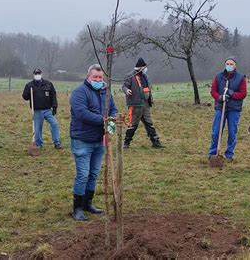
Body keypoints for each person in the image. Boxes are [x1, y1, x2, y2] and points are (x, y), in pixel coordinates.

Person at [69, 64, 117, 221]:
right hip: (82, 139)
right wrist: (104, 120)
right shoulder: (79, 93)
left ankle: (87, 203)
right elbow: (82, 113)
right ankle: (77, 208)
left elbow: (113, 110)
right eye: (95, 77)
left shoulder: (106, 92)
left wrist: (111, 124)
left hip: (99, 140)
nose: (98, 80)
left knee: (93, 174)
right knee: (83, 174)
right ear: (88, 77)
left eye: (100, 77)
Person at [208, 56, 247, 160]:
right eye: (227, 64)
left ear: (235, 65)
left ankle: (229, 154)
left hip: (234, 108)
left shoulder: (241, 78)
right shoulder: (218, 76)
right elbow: (213, 91)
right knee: (216, 131)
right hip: (220, 107)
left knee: (232, 131)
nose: (229, 66)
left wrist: (232, 94)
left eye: (231, 64)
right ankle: (213, 153)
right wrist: (220, 97)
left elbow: (243, 94)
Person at [122, 57, 163, 149]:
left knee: (149, 123)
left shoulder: (145, 76)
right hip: (135, 104)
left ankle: (156, 142)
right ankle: (126, 143)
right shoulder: (130, 76)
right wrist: (127, 90)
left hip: (145, 104)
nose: (145, 69)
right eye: (144, 67)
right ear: (140, 68)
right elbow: (124, 86)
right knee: (133, 124)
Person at [22, 69, 61, 149]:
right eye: (36, 74)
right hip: (37, 111)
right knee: (37, 128)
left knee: (54, 124)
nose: (37, 75)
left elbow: (53, 96)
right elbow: (25, 97)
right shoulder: (30, 85)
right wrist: (27, 92)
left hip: (47, 110)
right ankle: (38, 144)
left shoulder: (48, 84)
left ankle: (57, 142)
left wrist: (54, 106)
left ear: (41, 74)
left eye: (39, 73)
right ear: (33, 75)